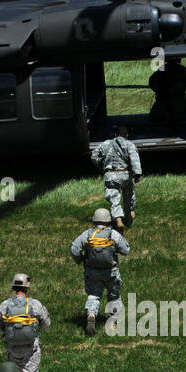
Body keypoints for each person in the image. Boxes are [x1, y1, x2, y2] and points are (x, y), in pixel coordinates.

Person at [70, 208, 130, 336]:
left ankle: (91, 314)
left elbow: (74, 248)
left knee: (94, 295)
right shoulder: (112, 234)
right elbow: (126, 250)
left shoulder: (88, 234)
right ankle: (113, 323)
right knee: (114, 296)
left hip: (92, 272)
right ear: (108, 220)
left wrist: (80, 259)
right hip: (111, 272)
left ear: (95, 220)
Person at [0, 272, 50, 372]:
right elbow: (47, 325)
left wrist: (9, 331)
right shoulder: (35, 304)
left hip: (12, 347)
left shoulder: (5, 305)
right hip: (31, 348)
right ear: (27, 287)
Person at [91, 125, 142, 230]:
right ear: (126, 135)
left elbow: (94, 155)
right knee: (129, 195)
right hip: (125, 174)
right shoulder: (129, 144)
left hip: (111, 175)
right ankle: (130, 214)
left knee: (114, 198)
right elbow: (134, 159)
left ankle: (118, 218)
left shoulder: (106, 144)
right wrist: (137, 174)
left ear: (115, 134)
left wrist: (101, 164)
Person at [148, 58, 186, 126]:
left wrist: (163, 91)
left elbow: (152, 82)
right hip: (170, 100)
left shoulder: (163, 69)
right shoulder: (182, 69)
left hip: (167, 100)